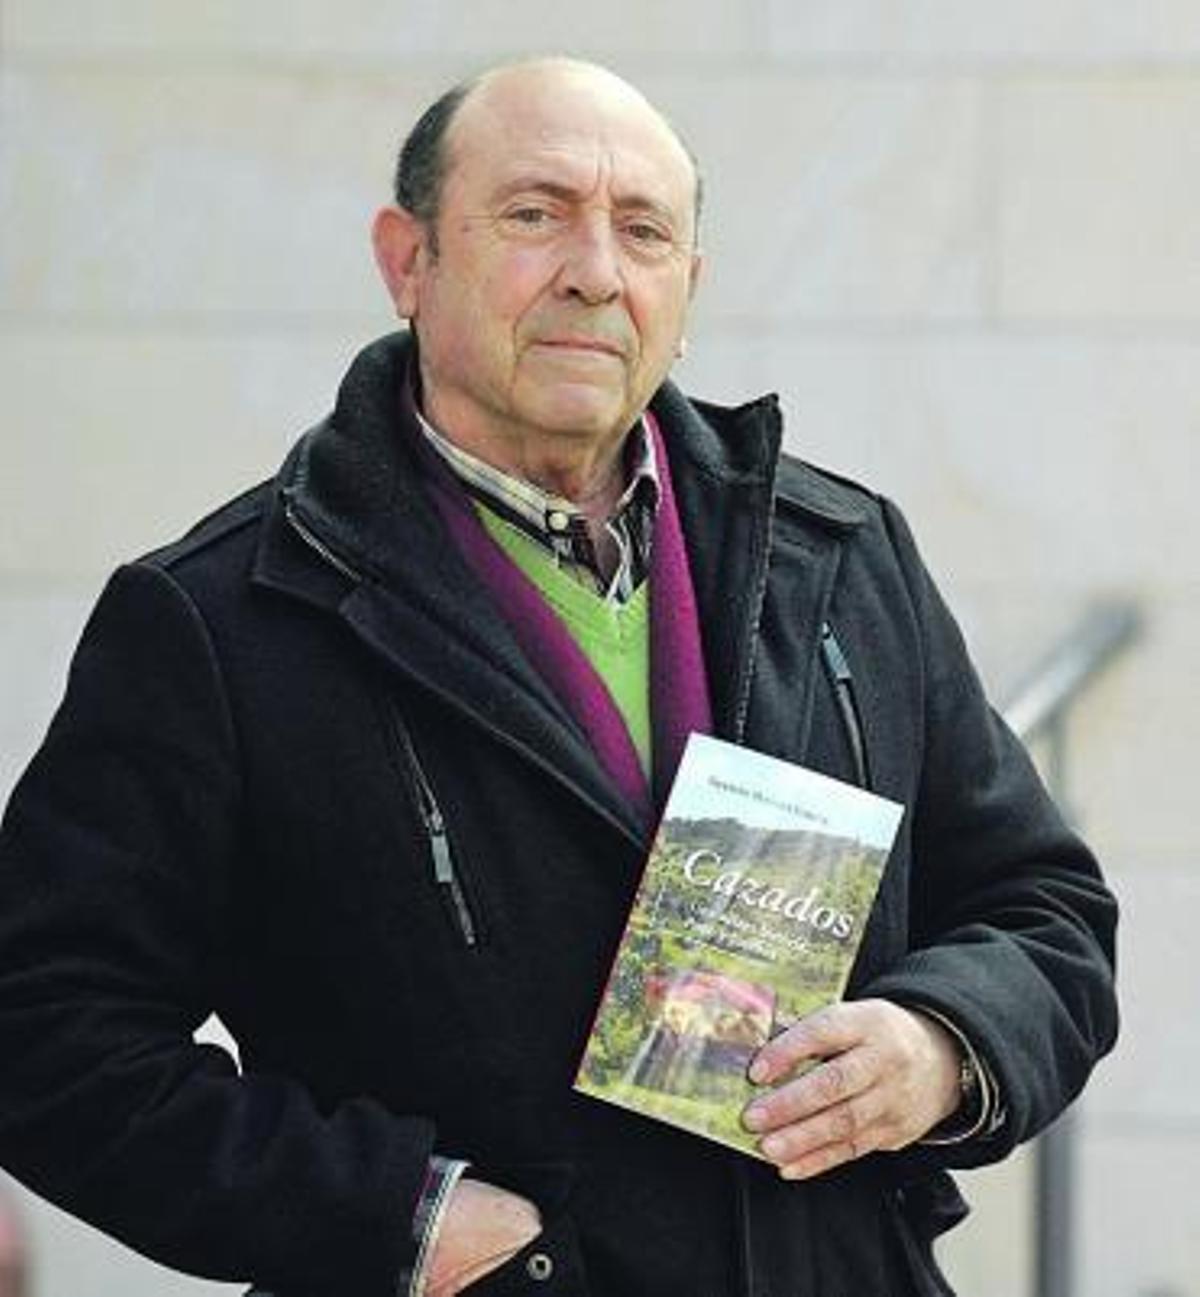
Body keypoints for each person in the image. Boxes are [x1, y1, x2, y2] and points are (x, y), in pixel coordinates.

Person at [0, 57, 1117, 1297]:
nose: (595, 269)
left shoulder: (843, 561)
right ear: (407, 260)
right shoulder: (222, 617)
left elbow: (1043, 911)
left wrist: (942, 1046)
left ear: (684, 293)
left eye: (643, 231)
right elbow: (44, 1027)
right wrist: (396, 1217)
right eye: (535, 215)